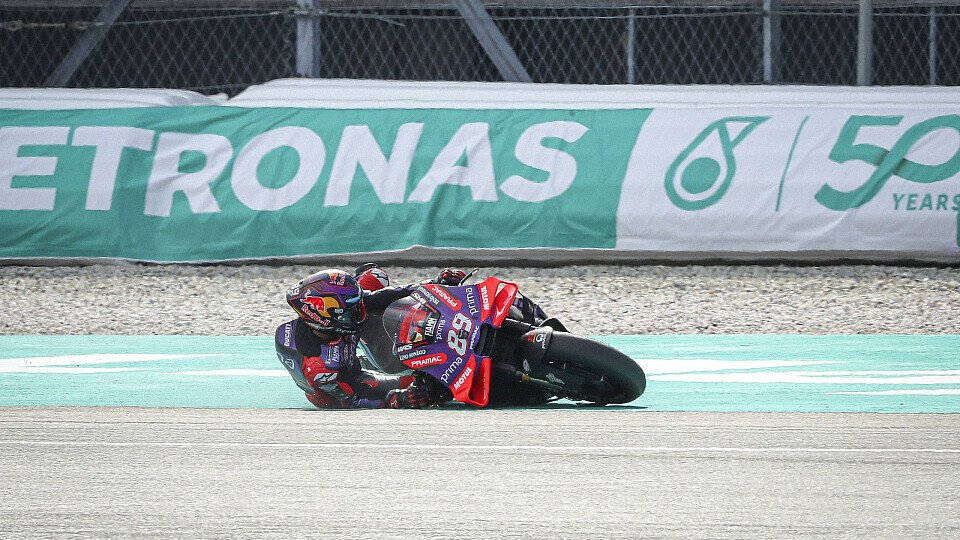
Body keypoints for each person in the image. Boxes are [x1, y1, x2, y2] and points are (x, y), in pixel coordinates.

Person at [275, 265, 467, 409]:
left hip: (346, 344)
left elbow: (378, 298)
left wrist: (432, 286)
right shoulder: (320, 367)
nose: (361, 312)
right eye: (352, 312)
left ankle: (382, 354)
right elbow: (353, 399)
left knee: (375, 277)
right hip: (347, 385)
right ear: (322, 319)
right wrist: (398, 399)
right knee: (429, 389)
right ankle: (388, 364)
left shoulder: (337, 318)